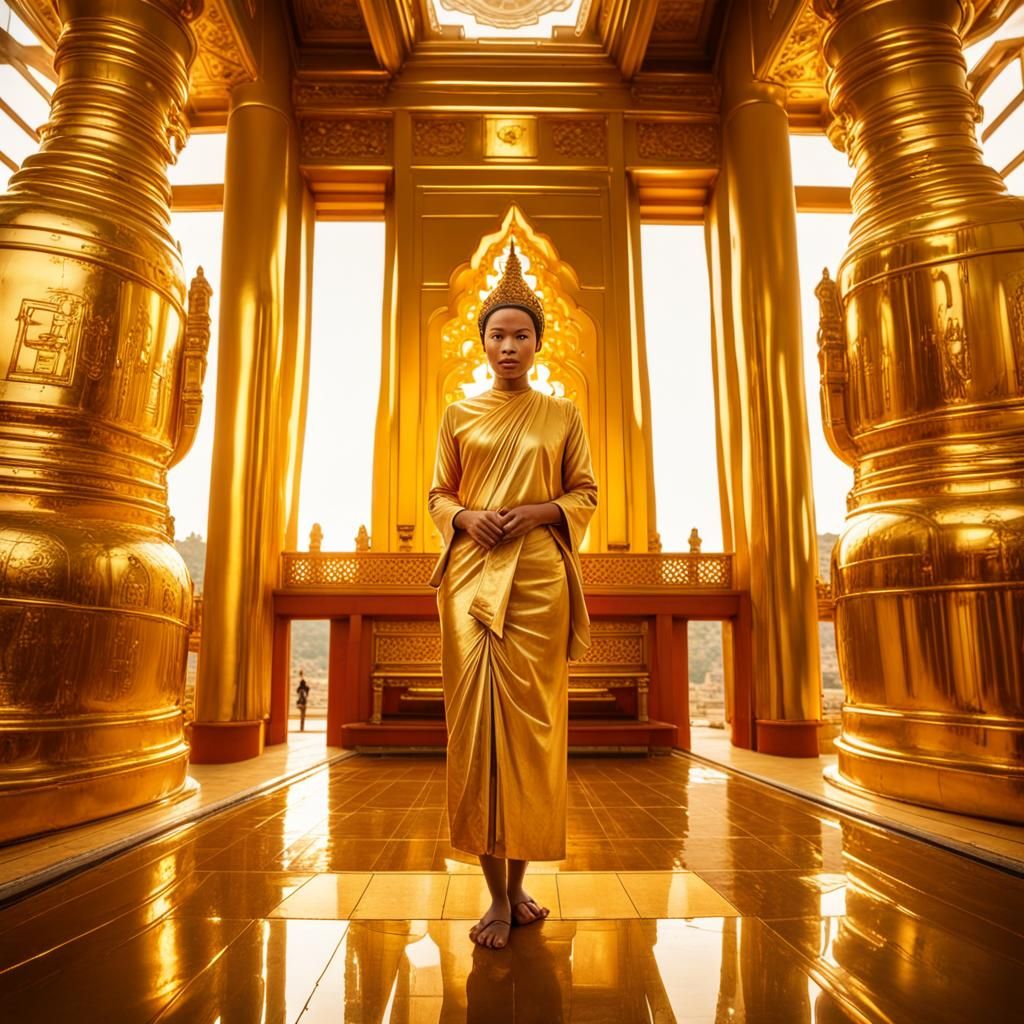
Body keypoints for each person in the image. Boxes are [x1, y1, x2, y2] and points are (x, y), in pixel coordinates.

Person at [428, 239, 598, 950]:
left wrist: (531, 513)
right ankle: (493, 894)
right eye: (497, 334)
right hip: (471, 581)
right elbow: (439, 493)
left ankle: (521, 883)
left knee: (531, 737)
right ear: (482, 340)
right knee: (476, 736)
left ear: (538, 341)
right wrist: (465, 517)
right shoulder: (458, 414)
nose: (508, 345)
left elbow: (585, 493)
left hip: (536, 580)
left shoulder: (562, 415)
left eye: (520, 334)